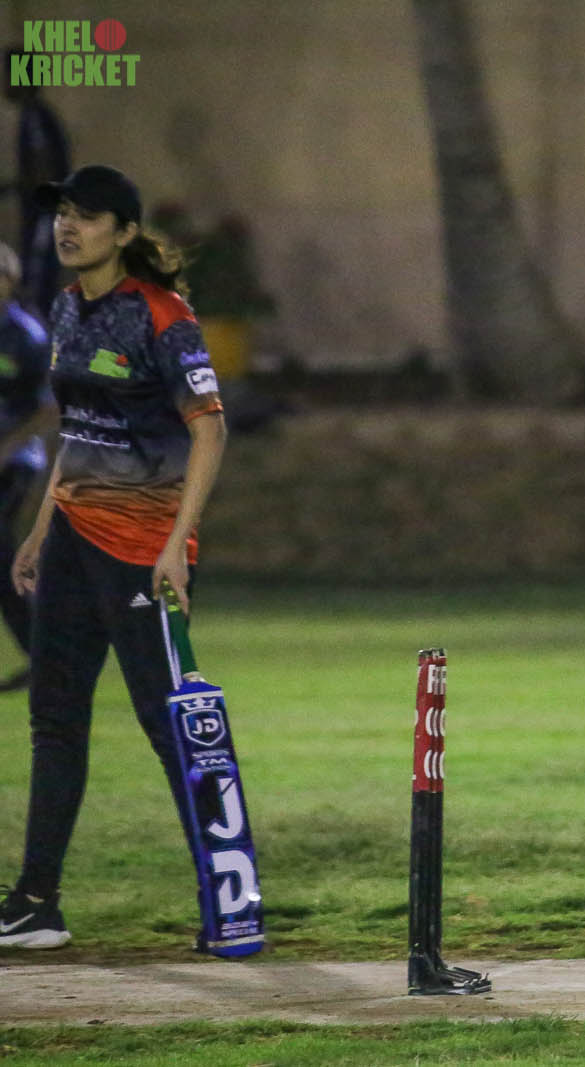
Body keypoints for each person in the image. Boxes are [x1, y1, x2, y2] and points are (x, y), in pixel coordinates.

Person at [0, 165, 227, 949]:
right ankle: (37, 901)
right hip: (72, 541)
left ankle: (225, 900)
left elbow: (209, 428)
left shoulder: (162, 316)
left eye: (86, 215)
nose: (67, 226)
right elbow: (80, 427)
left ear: (125, 232)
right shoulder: (66, 306)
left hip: (141, 551)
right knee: (54, 718)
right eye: (62, 212)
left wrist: (177, 547)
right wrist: (40, 529)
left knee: (169, 725)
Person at [0, 240, 56, 691]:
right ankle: (46, 657)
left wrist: (5, 450)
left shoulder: (26, 335)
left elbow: (47, 409)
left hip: (13, 462)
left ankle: (48, 656)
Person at [3, 56, 70, 317]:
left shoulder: (34, 118)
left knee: (36, 286)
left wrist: (15, 187)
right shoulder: (37, 115)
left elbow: (43, 171)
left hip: (44, 216)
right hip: (43, 216)